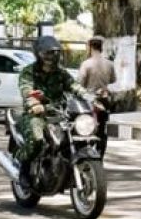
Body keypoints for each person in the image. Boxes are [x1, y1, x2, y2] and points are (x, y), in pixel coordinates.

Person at [16, 35, 91, 188]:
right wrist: (34, 103)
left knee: (83, 134)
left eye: (55, 53)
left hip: (60, 113)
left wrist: (90, 97)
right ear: (39, 54)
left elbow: (74, 86)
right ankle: (23, 170)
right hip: (36, 113)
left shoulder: (61, 73)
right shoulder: (28, 72)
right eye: (48, 53)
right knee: (37, 140)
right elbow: (26, 89)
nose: (52, 56)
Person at [77, 36, 115, 157]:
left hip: (88, 102)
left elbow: (79, 83)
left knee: (84, 129)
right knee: (103, 130)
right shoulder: (109, 64)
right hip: (104, 100)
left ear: (90, 47)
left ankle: (85, 154)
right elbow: (113, 80)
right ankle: (100, 155)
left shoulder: (86, 64)